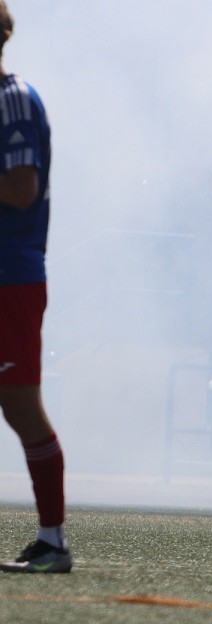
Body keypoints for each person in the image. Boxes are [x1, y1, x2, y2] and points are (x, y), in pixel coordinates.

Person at [0, 1, 70, 573]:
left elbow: (21, 189)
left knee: (21, 407)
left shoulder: (13, 98)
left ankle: (53, 542)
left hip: (9, 278)